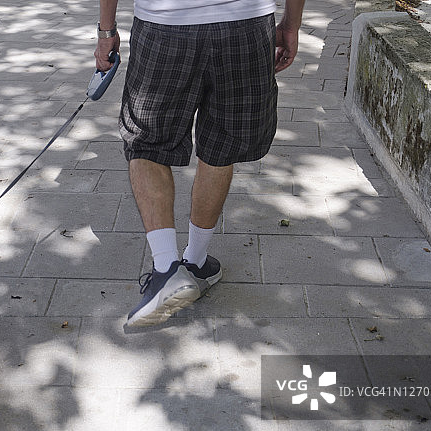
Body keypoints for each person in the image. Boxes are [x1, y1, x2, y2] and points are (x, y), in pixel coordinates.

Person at [95, 0, 305, 328]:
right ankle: (196, 263)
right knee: (221, 145)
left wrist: (106, 32)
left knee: (146, 143)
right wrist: (291, 25)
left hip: (165, 25)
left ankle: (167, 269)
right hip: (246, 25)